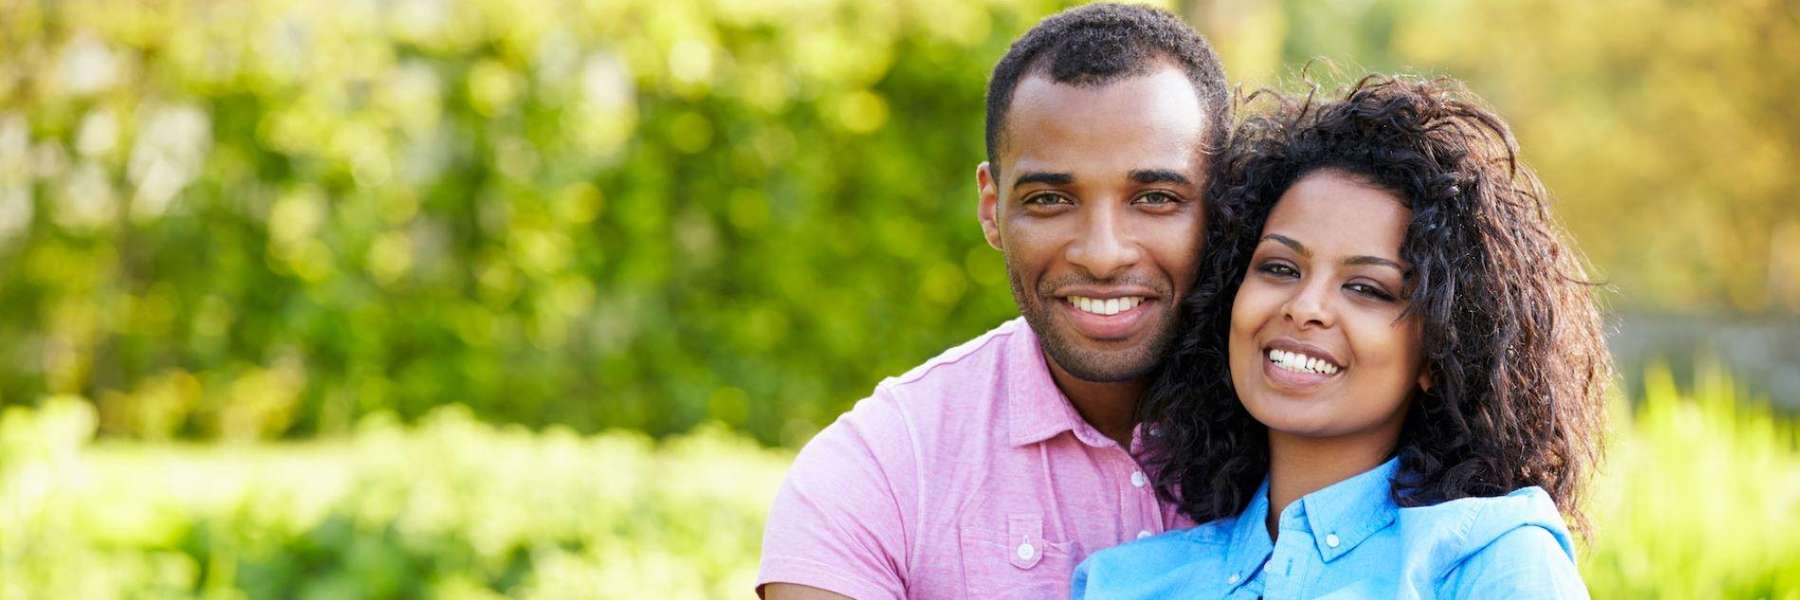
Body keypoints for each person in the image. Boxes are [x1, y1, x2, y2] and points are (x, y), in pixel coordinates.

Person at [756, 4, 1230, 599]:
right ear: (992, 207)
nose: (1103, 254)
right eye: (1051, 200)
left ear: (1226, 204)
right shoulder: (878, 472)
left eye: (1156, 197)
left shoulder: (1313, 432)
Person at [1073, 76, 1611, 598]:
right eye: (1280, 268)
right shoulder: (1124, 583)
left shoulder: (1489, 561)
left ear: (1439, 353)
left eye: (1367, 288)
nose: (1306, 307)